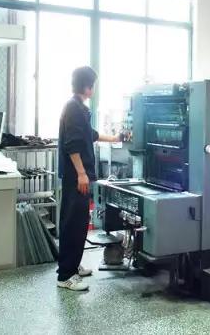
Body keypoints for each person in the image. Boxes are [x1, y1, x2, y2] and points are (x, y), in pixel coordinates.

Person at [57, 66, 122, 291]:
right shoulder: (73, 108)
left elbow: (90, 135)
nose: (93, 88)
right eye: (92, 85)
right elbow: (72, 144)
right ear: (87, 86)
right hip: (76, 177)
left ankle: (72, 266)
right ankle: (65, 275)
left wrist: (114, 138)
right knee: (73, 224)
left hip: (78, 176)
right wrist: (82, 173)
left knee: (79, 223)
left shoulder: (78, 108)